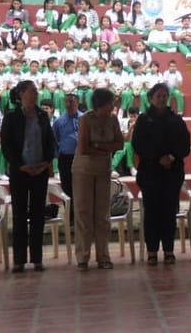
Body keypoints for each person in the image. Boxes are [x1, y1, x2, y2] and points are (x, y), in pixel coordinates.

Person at [0, 80, 56, 273]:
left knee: (38, 215)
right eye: (32, 91)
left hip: (39, 171)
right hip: (20, 172)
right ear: (22, 93)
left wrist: (46, 162)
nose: (36, 93)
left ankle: (37, 259)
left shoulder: (42, 115)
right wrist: (20, 165)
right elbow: (6, 145)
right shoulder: (11, 117)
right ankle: (19, 260)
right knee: (20, 215)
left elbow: (50, 141)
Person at [132, 82, 191, 265]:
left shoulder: (176, 120)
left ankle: (168, 250)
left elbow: (185, 145)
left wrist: (172, 157)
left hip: (172, 173)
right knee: (151, 213)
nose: (162, 99)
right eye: (158, 96)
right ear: (151, 98)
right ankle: (151, 251)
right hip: (150, 173)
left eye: (165, 96)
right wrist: (157, 158)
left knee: (168, 212)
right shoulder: (143, 120)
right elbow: (138, 145)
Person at [72, 88, 123, 270]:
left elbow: (120, 143)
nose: (113, 105)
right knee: (83, 212)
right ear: (101, 103)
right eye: (110, 102)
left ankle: (103, 256)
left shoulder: (113, 119)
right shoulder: (85, 119)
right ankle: (82, 257)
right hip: (83, 171)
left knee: (102, 214)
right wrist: (106, 148)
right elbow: (83, 148)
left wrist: (98, 145)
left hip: (103, 170)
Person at [53, 93, 81, 215]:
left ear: (77, 103)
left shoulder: (84, 118)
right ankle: (70, 216)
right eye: (67, 102)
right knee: (67, 187)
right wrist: (58, 154)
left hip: (81, 158)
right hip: (65, 158)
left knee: (81, 187)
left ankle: (81, 215)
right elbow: (55, 140)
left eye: (72, 102)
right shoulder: (59, 121)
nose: (69, 104)